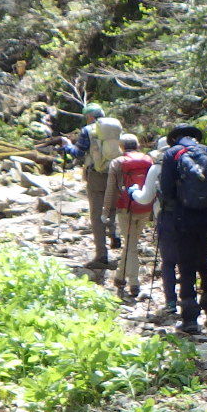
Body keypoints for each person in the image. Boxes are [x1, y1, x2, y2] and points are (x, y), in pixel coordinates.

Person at [141, 124, 207, 335]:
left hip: (182, 217)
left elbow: (167, 187)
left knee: (186, 264)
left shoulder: (171, 154)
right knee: (205, 261)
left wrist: (169, 212)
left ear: (175, 139)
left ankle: (190, 319)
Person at [68, 104, 119, 269]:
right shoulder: (115, 128)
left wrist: (67, 146)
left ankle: (101, 255)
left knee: (97, 214)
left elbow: (79, 153)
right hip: (116, 173)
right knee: (112, 207)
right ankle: (114, 234)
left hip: (96, 175)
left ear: (90, 116)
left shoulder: (88, 130)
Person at [105, 133, 156, 301]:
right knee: (131, 243)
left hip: (125, 208)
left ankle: (134, 283)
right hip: (145, 206)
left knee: (131, 244)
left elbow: (111, 189)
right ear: (138, 145)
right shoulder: (149, 161)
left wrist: (106, 211)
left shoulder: (117, 162)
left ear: (121, 147)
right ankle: (119, 278)